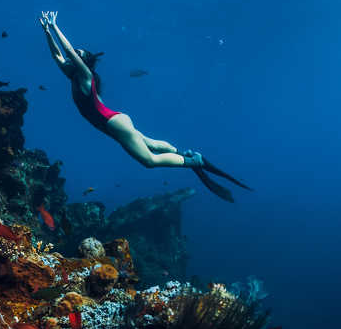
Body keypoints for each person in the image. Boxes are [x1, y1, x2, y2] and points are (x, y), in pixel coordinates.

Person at [39, 11, 251, 202]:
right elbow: (57, 55)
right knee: (149, 143)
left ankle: (193, 161)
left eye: (76, 56)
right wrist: (47, 31)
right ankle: (181, 152)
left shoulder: (85, 76)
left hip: (113, 124)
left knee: (149, 160)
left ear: (81, 62)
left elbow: (68, 52)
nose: (69, 58)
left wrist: (55, 26)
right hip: (115, 120)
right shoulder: (73, 76)